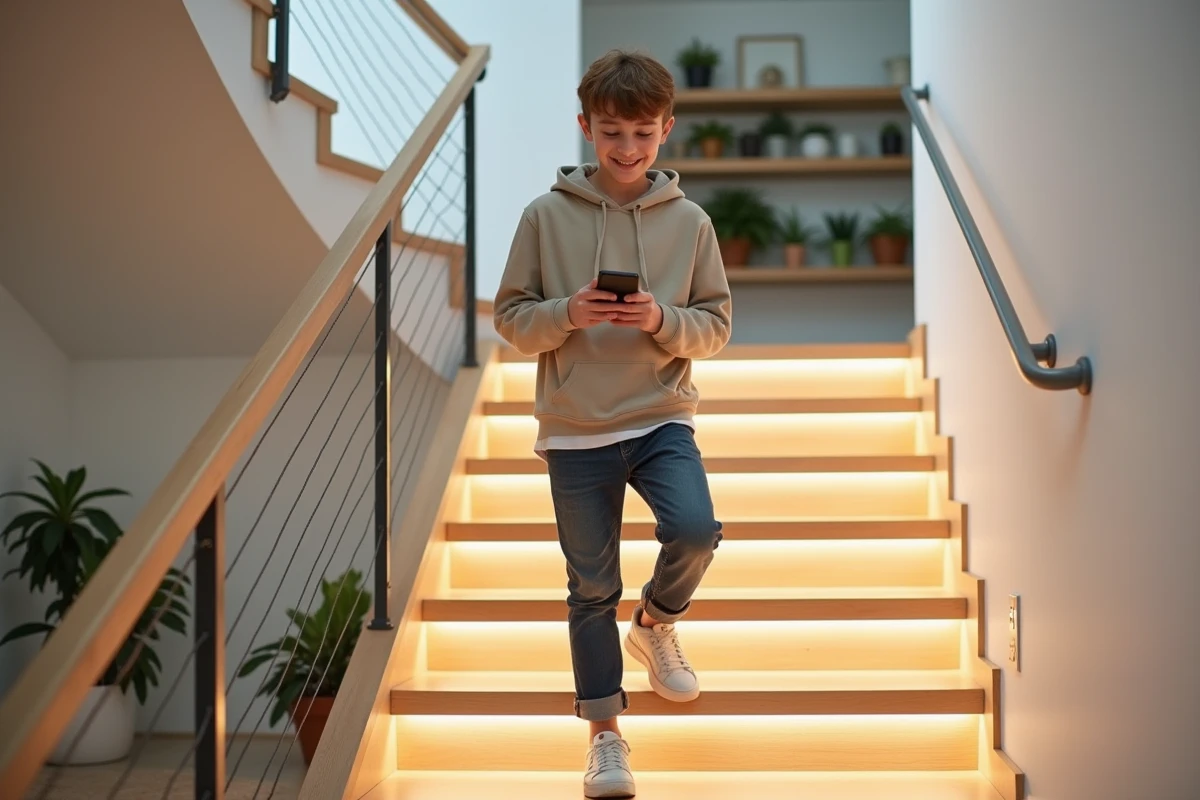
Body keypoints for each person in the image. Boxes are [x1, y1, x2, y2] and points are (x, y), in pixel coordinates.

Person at [492, 48, 732, 799]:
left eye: (641, 134)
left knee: (696, 529)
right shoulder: (544, 216)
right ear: (584, 129)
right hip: (574, 426)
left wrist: (663, 318)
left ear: (666, 130)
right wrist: (568, 313)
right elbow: (510, 319)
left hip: (661, 415)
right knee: (590, 589)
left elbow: (716, 324)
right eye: (610, 134)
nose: (627, 150)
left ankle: (656, 624)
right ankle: (605, 736)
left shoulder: (691, 222)